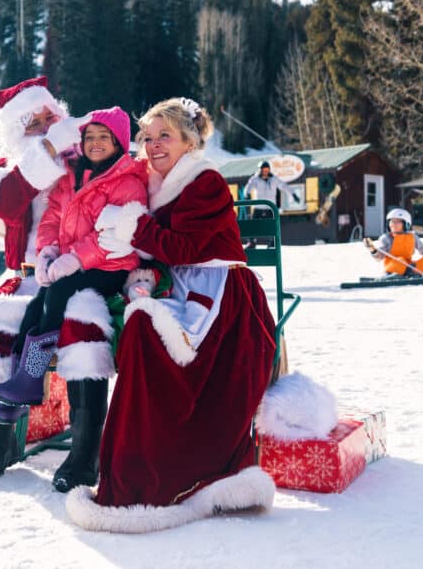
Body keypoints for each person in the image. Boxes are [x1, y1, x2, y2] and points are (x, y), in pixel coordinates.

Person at [66, 97, 278, 532]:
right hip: (172, 284)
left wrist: (133, 227)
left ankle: (158, 477)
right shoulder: (146, 179)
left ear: (189, 141)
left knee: (146, 329)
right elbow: (156, 252)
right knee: (114, 319)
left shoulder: (206, 182)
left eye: (166, 135)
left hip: (222, 295)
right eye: (148, 136)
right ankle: (109, 460)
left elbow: (184, 248)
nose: (154, 144)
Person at [0, 76, 117, 487]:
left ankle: (84, 457)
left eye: (51, 117)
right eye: (34, 121)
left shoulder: (87, 160)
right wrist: (44, 153)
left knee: (83, 328)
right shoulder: (7, 172)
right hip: (24, 281)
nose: (47, 125)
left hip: (81, 277)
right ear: (15, 131)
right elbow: (1, 209)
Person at [0, 106, 148, 491]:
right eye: (89, 137)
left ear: (119, 143)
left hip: (110, 265)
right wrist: (47, 251)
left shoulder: (126, 180)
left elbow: (115, 234)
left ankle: (34, 384)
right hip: (70, 265)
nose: (95, 144)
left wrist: (75, 259)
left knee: (56, 290)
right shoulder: (70, 178)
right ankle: (24, 378)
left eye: (103, 138)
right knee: (37, 303)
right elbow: (51, 219)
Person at [364, 208, 423, 277]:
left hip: (410, 267)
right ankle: (392, 275)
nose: (393, 224)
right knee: (400, 260)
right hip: (394, 266)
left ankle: (412, 273)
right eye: (391, 221)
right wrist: (372, 250)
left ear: (406, 224)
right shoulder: (386, 238)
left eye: (397, 221)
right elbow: (379, 258)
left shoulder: (413, 237)